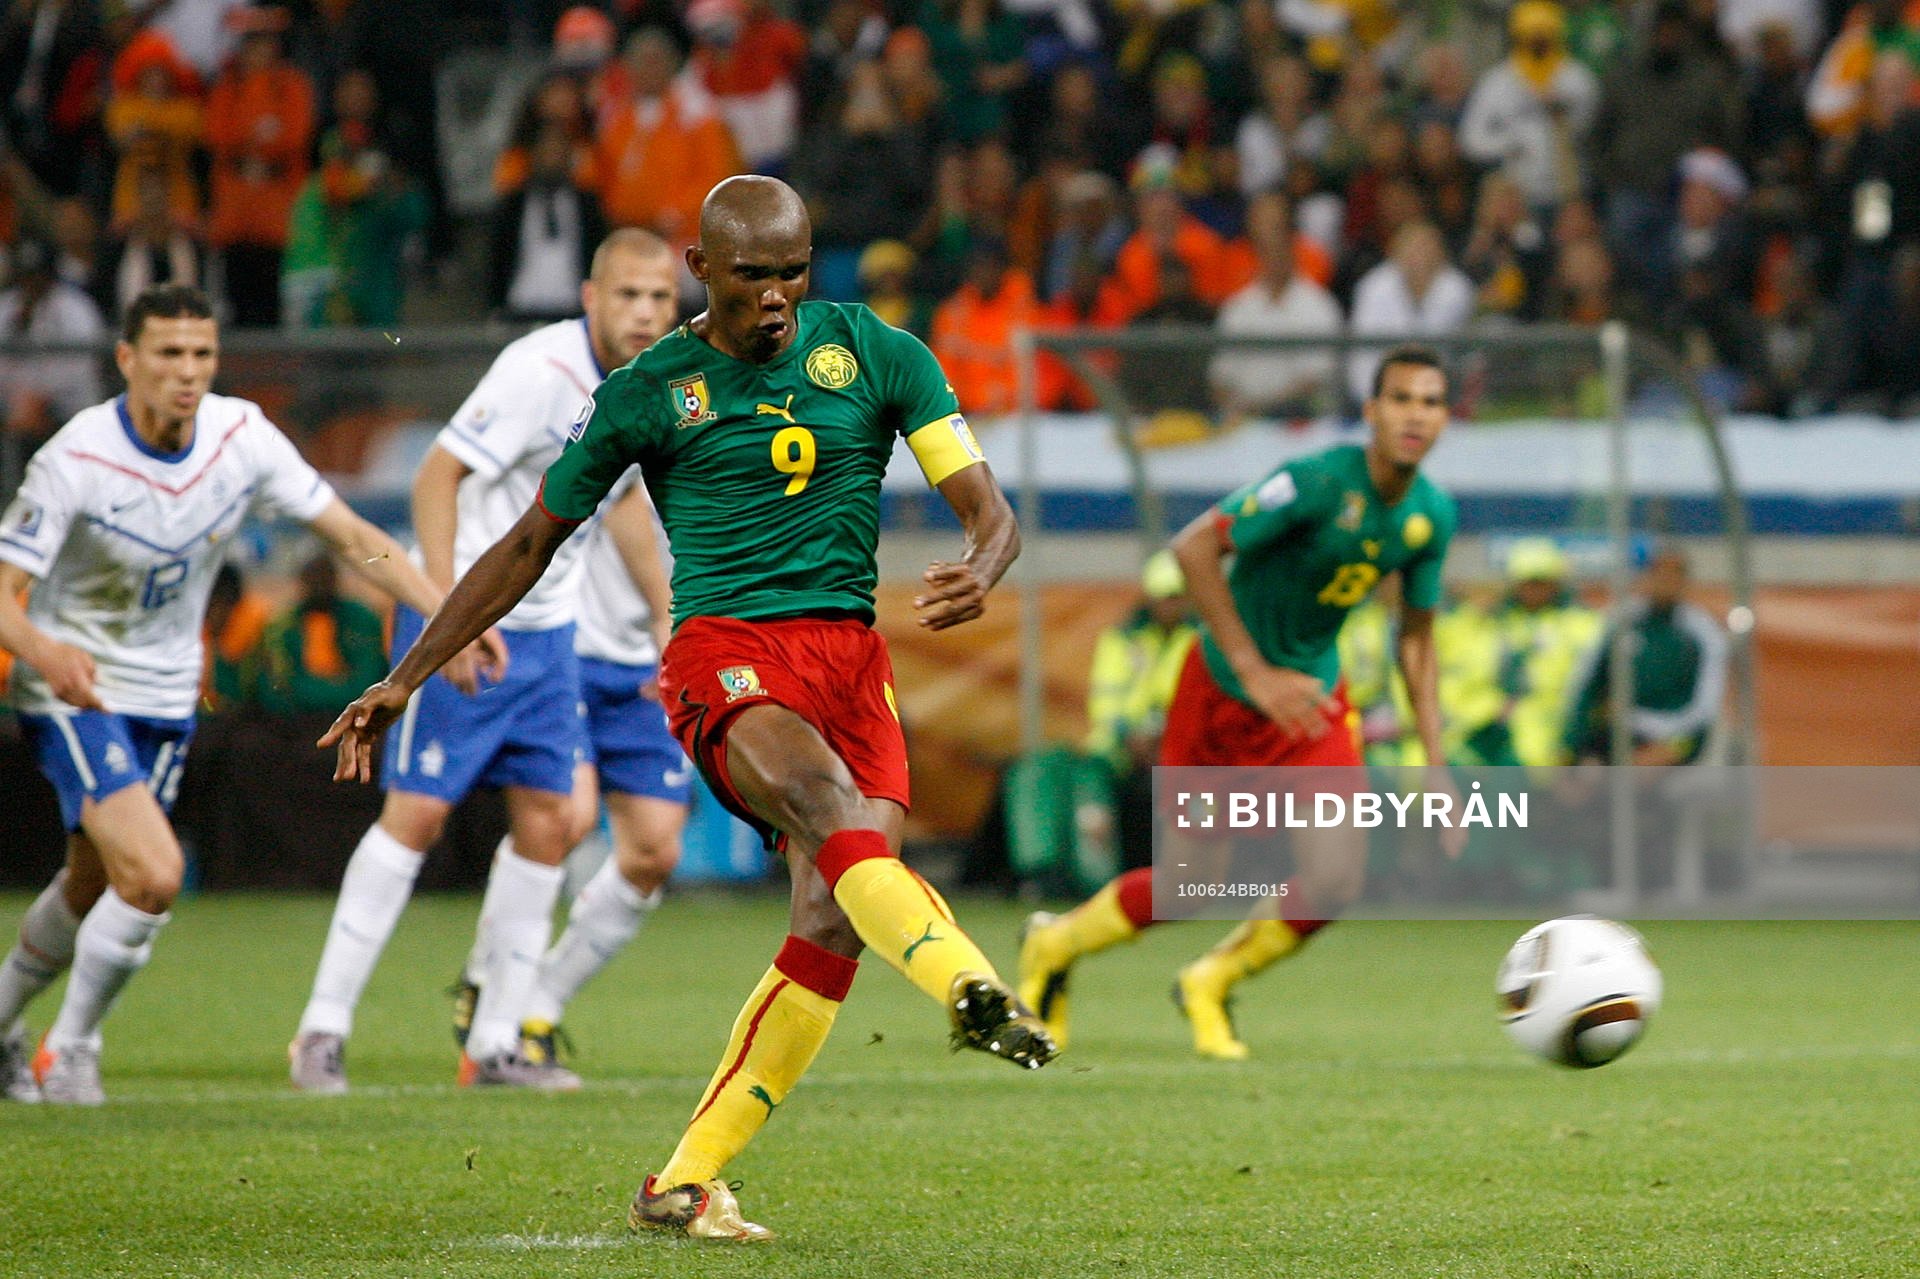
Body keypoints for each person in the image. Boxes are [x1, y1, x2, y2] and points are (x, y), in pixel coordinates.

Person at [317, 175, 1053, 1241]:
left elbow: (988, 508)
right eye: (751, 278)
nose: (776, 299)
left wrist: (984, 564)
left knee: (832, 918)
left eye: (793, 273)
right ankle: (973, 986)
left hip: (851, 663)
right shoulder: (650, 388)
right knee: (825, 806)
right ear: (699, 272)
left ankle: (682, 1180)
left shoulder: (880, 351)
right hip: (727, 656)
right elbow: (528, 543)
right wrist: (407, 673)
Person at [0, 284, 472, 1105]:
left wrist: (453, 615)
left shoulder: (240, 436)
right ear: (126, 361)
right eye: (168, 355)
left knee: (90, 880)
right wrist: (46, 650)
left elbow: (356, 538)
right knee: (152, 874)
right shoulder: (75, 458)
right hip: (75, 689)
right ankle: (69, 1050)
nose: (187, 372)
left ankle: (4, 1023)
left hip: (171, 692)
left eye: (201, 355)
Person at [289, 229, 681, 1094]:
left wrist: (661, 612)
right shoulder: (538, 370)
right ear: (590, 297)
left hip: (549, 639)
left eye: (659, 299)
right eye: (628, 296)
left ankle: (497, 1038)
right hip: (470, 622)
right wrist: (444, 613)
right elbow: (439, 475)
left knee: (553, 819)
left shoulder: (644, 387)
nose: (645, 313)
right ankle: (321, 1028)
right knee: (417, 817)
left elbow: (615, 505)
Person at [1018, 347, 1462, 1060]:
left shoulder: (1429, 516)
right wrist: (1254, 671)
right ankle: (1055, 941)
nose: (1417, 414)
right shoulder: (1315, 482)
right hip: (1221, 696)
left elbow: (1417, 640)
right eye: (1402, 399)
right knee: (1190, 885)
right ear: (1372, 411)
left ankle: (1212, 976)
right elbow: (1194, 548)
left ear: (1446, 418)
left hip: (1311, 702)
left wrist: (1435, 762)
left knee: (1337, 876)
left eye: (1432, 401)